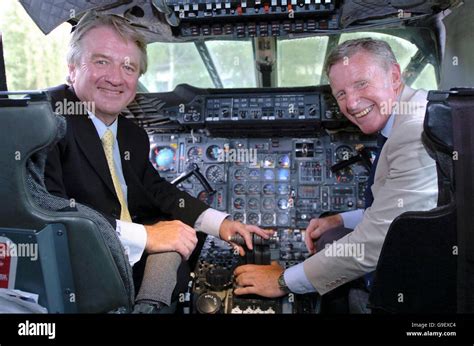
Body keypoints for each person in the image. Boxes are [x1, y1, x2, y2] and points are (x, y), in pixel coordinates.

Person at [44, 13, 268, 312]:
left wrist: (221, 223)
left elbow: (156, 189)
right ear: (72, 68)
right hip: (77, 275)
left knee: (180, 240)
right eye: (101, 61)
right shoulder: (45, 121)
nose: (115, 77)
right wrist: (146, 236)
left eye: (128, 67)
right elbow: (48, 213)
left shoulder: (132, 134)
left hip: (126, 265)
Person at [233, 38, 438, 311]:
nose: (351, 103)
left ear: (395, 76)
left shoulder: (413, 133)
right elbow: (399, 212)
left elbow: (372, 243)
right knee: (331, 237)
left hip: (429, 280)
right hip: (430, 247)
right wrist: (338, 219)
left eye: (361, 83)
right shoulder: (413, 117)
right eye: (340, 94)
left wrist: (282, 281)